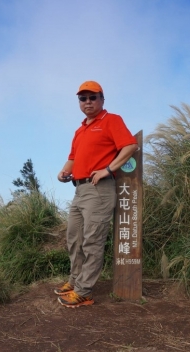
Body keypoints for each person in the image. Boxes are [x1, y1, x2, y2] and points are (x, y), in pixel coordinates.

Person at [55, 81, 138, 308]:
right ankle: (75, 281)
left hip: (99, 190)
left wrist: (108, 169)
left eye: (93, 97)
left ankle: (84, 292)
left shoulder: (112, 120)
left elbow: (130, 146)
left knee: (92, 241)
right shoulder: (80, 130)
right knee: (74, 239)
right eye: (83, 98)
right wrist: (63, 172)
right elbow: (72, 158)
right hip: (79, 190)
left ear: (102, 99)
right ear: (79, 102)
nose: (88, 102)